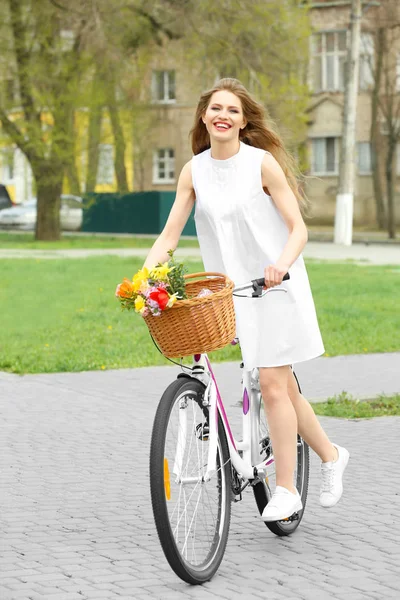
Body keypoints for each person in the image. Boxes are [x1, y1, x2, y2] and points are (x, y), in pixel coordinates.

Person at [143, 78, 349, 521]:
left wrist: (281, 265)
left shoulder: (261, 165)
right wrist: (144, 280)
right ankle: (331, 456)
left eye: (233, 110)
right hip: (230, 293)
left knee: (273, 384)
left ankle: (288, 489)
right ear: (203, 116)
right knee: (285, 392)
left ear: (244, 120)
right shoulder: (193, 171)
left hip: (275, 285)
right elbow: (170, 235)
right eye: (216, 108)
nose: (223, 115)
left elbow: (298, 228)